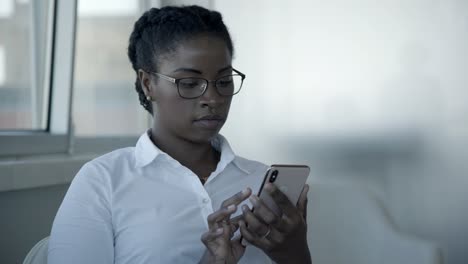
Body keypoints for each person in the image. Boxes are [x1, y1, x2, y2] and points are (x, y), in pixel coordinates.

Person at [48, 5, 311, 264]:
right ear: (148, 84)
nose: (212, 98)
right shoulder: (103, 181)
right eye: (189, 83)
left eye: (223, 81)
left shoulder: (262, 185)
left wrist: (294, 251)